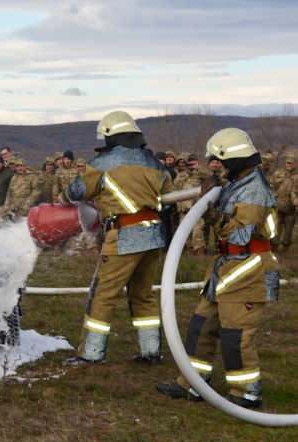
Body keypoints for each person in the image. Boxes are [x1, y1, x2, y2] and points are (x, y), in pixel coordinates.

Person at [157, 128, 278, 409]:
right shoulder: (238, 181)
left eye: (220, 160)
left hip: (248, 270)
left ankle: (246, 393)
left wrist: (212, 215)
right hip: (227, 268)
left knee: (236, 335)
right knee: (201, 327)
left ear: (232, 158)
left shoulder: (253, 189)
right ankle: (193, 383)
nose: (218, 165)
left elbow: (239, 235)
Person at [63, 111, 172, 366]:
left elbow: (78, 191)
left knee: (103, 294)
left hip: (124, 235)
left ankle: (90, 354)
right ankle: (151, 353)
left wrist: (61, 199)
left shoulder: (102, 163)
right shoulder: (154, 163)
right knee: (143, 294)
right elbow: (167, 198)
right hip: (154, 234)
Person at [176, 154, 212, 255]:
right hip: (184, 209)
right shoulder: (182, 175)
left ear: (197, 161)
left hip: (197, 209)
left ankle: (200, 254)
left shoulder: (201, 173)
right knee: (185, 233)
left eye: (193, 161)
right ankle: (190, 255)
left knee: (197, 232)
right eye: (189, 161)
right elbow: (175, 188)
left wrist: (197, 168)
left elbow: (210, 178)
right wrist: (179, 203)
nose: (191, 163)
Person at [268, 150, 296, 252]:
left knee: (289, 230)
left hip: (291, 208)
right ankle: (274, 250)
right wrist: (275, 196)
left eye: (292, 163)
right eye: (288, 162)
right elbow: (271, 186)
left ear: (295, 164)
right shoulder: (277, 173)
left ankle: (286, 251)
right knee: (275, 229)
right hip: (278, 206)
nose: (289, 165)